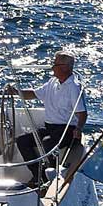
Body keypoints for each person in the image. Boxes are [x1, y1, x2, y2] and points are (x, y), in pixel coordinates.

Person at [12, 52, 88, 185]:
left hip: (66, 130)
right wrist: (16, 92)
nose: (52, 67)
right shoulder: (52, 82)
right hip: (50, 128)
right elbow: (34, 94)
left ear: (65, 67)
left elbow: (82, 113)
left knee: (47, 143)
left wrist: (79, 128)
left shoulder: (74, 88)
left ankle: (50, 178)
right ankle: (40, 176)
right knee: (22, 141)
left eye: (55, 64)